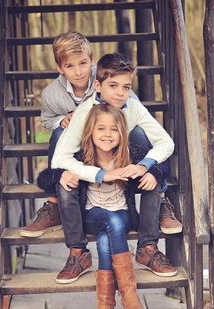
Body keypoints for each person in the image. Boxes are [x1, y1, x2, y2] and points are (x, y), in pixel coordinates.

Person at [49, 52, 178, 284]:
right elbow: (60, 157)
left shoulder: (134, 108)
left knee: (152, 168)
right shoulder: (85, 111)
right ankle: (78, 253)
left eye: (126, 87)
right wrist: (99, 174)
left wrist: (145, 167)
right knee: (64, 179)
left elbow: (166, 142)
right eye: (113, 86)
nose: (120, 93)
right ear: (97, 86)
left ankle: (148, 247)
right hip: (90, 167)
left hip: (125, 166)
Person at [20, 31, 96, 237]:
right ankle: (54, 203)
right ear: (60, 68)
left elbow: (127, 103)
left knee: (139, 133)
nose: (79, 72)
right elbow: (46, 120)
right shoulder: (51, 94)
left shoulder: (105, 77)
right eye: (70, 66)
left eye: (83, 63)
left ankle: (158, 199)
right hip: (74, 144)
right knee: (58, 133)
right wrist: (60, 120)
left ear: (92, 60)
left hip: (105, 138)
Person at [81, 103, 145, 309]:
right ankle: (129, 295)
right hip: (92, 214)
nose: (107, 135)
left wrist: (145, 169)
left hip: (122, 213)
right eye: (101, 129)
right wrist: (66, 172)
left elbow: (162, 167)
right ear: (90, 130)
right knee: (112, 225)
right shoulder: (81, 157)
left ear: (122, 133)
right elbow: (48, 178)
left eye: (114, 129)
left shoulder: (128, 156)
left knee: (108, 238)